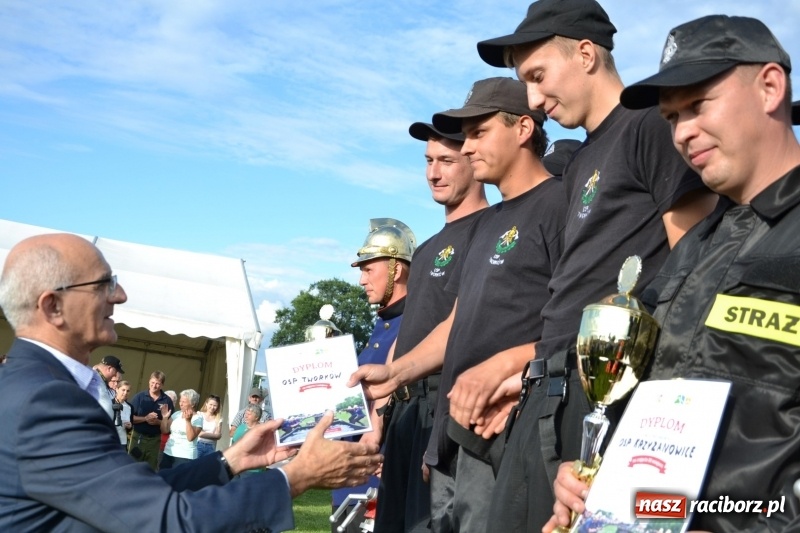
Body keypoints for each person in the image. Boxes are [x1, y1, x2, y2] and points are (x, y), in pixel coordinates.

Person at [544, 15, 800, 532]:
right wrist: (596, 477)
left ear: (770, 86)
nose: (682, 133)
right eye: (671, 117)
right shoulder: (691, 251)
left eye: (698, 106)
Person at [473, 1, 718, 529]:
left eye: (538, 77)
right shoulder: (583, 157)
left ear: (585, 54)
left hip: (609, 390)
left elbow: (697, 270)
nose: (533, 101)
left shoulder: (649, 125)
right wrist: (531, 369)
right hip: (550, 388)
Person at [0, 232, 382, 532]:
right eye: (103, 284)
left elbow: (134, 496)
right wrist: (294, 477)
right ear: (53, 307)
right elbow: (164, 520)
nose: (120, 294)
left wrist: (230, 462)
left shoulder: (38, 387)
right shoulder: (45, 401)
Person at [351, 76, 566, 532]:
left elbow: (578, 320)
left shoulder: (560, 205)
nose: (467, 148)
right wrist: (396, 373)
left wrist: (516, 372)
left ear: (524, 129)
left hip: (510, 429)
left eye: (478, 132)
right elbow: (458, 321)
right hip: (457, 435)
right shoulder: (493, 223)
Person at [373, 119, 489, 533]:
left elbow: (467, 330)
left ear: (474, 160)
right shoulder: (424, 250)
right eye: (427, 161)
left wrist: (442, 429)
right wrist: (379, 413)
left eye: (445, 160)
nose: (433, 173)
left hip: (442, 403)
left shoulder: (489, 231)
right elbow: (409, 332)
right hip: (404, 410)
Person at [332, 218, 416, 533]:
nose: (361, 279)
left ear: (396, 269)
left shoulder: (415, 324)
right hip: (350, 477)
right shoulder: (381, 326)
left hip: (382, 477)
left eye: (369, 269)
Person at [129, 371, 174, 470]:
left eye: (157, 383)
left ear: (162, 385)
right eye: (152, 382)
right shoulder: (139, 397)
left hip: (155, 440)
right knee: (133, 466)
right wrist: (145, 418)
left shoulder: (166, 401)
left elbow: (168, 428)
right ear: (149, 381)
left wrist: (159, 421)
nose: (154, 386)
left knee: (150, 469)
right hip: (138, 438)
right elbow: (129, 418)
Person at [159, 389, 204, 470]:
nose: (180, 404)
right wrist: (164, 417)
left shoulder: (198, 418)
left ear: (192, 404)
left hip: (185, 456)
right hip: (169, 452)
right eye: (180, 401)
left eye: (184, 402)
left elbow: (190, 437)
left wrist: (188, 421)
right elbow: (164, 430)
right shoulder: (176, 414)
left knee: (178, 481)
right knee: (163, 478)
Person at [231, 404, 266, 477]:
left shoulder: (262, 430)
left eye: (249, 414)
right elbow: (233, 445)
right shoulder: (241, 427)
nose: (246, 416)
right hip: (237, 467)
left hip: (253, 470)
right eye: (246, 414)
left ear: (256, 417)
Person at [197, 393, 222, 458]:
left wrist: (203, 433)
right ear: (206, 404)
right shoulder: (200, 415)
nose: (212, 407)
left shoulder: (218, 418)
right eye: (210, 404)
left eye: (215, 405)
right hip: (198, 444)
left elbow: (218, 436)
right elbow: (199, 433)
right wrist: (214, 435)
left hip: (210, 447)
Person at [114, 379, 134, 448]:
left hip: (122, 442)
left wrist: (130, 426)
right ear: (117, 389)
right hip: (109, 440)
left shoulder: (130, 407)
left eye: (128, 391)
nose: (125, 393)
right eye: (123, 390)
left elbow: (130, 427)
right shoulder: (109, 403)